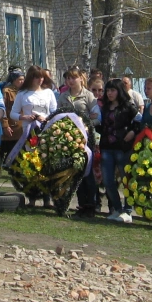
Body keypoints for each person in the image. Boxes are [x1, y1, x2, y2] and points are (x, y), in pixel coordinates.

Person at [9, 66, 57, 207]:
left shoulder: (48, 93)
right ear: (31, 78)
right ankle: (32, 196)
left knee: (45, 164)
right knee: (31, 163)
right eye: (37, 77)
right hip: (29, 133)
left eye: (42, 77)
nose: (40, 79)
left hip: (45, 132)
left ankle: (47, 197)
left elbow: (55, 112)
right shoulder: (23, 94)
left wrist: (46, 118)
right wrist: (23, 117)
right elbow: (13, 113)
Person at [57, 67, 100, 217]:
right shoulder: (63, 96)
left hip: (86, 138)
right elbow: (58, 114)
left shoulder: (88, 96)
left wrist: (86, 124)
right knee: (75, 171)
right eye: (68, 78)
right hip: (69, 139)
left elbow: (97, 117)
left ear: (81, 79)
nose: (70, 81)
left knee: (87, 172)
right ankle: (81, 204)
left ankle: (92, 204)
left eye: (73, 78)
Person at [98, 79, 138, 223]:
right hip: (107, 148)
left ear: (119, 91)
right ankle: (117, 208)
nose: (109, 93)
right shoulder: (104, 107)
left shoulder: (128, 107)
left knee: (126, 179)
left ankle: (128, 211)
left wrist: (132, 132)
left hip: (122, 147)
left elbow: (139, 121)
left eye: (112, 90)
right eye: (108, 90)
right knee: (108, 181)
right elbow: (101, 126)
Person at [0, 68, 25, 151]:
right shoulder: (7, 91)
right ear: (14, 80)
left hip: (22, 127)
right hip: (11, 128)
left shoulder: (24, 91)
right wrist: (5, 125)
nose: (22, 81)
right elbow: (2, 109)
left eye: (23, 79)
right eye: (20, 79)